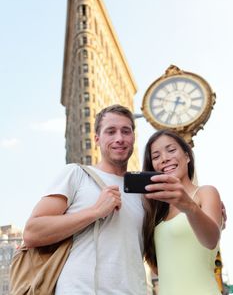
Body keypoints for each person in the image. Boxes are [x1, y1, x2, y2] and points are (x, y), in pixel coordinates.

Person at [23, 104, 147, 295]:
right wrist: (95, 212)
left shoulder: (142, 191)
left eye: (126, 131)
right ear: (97, 139)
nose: (119, 138)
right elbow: (32, 232)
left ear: (133, 137)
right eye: (110, 132)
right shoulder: (77, 174)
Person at [142, 129, 223, 295]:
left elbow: (211, 240)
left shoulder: (205, 193)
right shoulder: (154, 212)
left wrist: (188, 206)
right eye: (156, 156)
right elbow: (159, 268)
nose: (164, 159)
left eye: (171, 150)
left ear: (187, 156)